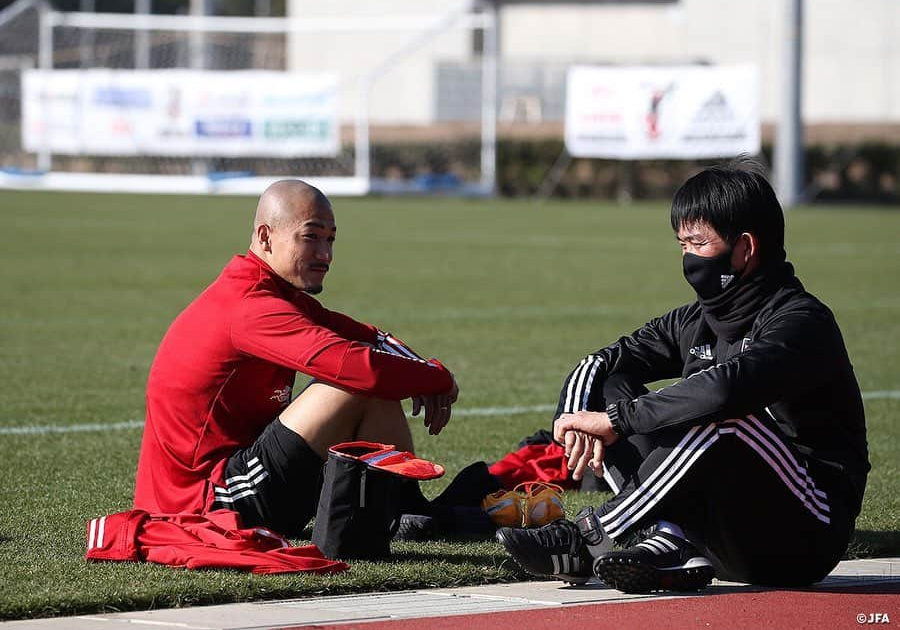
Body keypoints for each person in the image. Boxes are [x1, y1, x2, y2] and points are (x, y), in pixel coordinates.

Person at [497, 158, 869, 593]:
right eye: (682, 244)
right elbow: (603, 363)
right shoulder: (696, 320)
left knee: (721, 415)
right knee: (613, 382)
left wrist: (618, 421)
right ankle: (669, 539)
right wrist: (576, 419)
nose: (687, 257)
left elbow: (726, 389)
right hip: (723, 535)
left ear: (745, 248)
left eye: (697, 242)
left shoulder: (801, 322)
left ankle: (591, 537)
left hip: (804, 532)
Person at [134, 179, 459, 538]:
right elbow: (361, 369)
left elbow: (370, 337)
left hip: (242, 479)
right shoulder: (250, 306)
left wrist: (424, 369)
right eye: (311, 237)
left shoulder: (274, 294)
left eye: (331, 239)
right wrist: (437, 379)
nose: (326, 255)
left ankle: (404, 509)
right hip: (209, 499)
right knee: (351, 383)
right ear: (265, 236)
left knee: (366, 380)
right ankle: (405, 511)